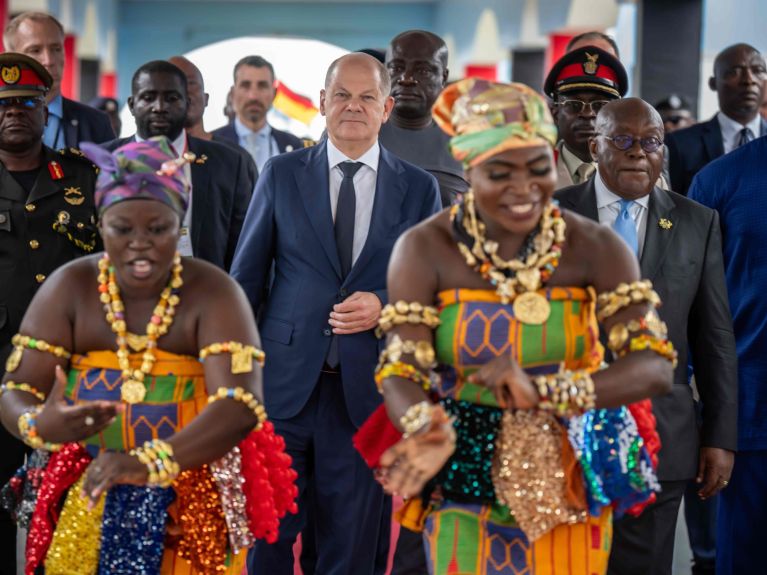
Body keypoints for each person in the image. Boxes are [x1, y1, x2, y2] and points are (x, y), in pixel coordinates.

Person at [364, 78, 674, 575]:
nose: (523, 188)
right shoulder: (426, 248)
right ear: (469, 170)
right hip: (464, 465)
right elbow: (400, 368)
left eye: (536, 169)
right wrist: (427, 427)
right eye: (499, 172)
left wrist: (546, 390)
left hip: (572, 472)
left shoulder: (595, 246)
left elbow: (654, 366)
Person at [0, 136, 296, 574]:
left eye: (157, 229)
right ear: (100, 224)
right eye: (123, 229)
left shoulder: (214, 292)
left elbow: (240, 404)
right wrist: (37, 422)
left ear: (179, 224)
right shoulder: (71, 287)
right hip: (89, 487)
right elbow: (18, 387)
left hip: (192, 497)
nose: (140, 243)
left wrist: (148, 463)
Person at [230, 52, 441, 575]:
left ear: (387, 107)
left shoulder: (418, 188)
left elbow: (435, 290)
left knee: (350, 543)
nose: (353, 106)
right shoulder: (281, 174)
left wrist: (386, 306)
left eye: (367, 96)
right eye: (342, 95)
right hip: (282, 390)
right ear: (321, 103)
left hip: (367, 393)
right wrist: (238, 382)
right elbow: (246, 281)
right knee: (271, 538)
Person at [555, 98, 737, 575]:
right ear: (595, 146)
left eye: (651, 142)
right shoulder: (550, 215)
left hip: (663, 435)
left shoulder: (697, 221)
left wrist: (719, 436)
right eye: (622, 140)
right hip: (561, 432)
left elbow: (714, 336)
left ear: (663, 153)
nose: (638, 152)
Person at [0, 52, 101, 575]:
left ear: (47, 112)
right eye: (5, 104)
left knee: (62, 509)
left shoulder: (82, 179)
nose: (15, 112)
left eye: (26, 103)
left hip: (70, 372)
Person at [688, 134, 767, 575]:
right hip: (752, 415)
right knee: (745, 557)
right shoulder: (720, 180)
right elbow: (694, 306)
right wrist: (713, 421)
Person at [103, 60, 252, 271]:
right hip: (118, 295)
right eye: (148, 97)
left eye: (172, 98)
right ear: (131, 105)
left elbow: (242, 250)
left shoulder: (228, 163)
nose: (160, 108)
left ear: (186, 104)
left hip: (202, 296)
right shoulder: (99, 162)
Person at [380, 30, 468, 207]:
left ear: (443, 77)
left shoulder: (468, 141)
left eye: (423, 71)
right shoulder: (351, 133)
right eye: (396, 68)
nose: (406, 79)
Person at [666, 43, 767, 196]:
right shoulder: (680, 144)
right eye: (734, 72)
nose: (749, 80)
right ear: (713, 83)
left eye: (758, 71)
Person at [4, 11, 115, 148]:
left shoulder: (96, 123)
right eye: (35, 50)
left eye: (56, 49)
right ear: (12, 57)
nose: (49, 60)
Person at [544, 46, 628, 189]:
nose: (588, 113)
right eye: (574, 104)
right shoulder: (533, 172)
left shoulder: (639, 175)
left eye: (600, 105)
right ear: (555, 113)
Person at [168, 56, 259, 182]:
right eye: (172, 84)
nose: (183, 91)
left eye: (190, 83)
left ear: (206, 99)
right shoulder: (139, 156)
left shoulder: (237, 159)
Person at [212, 56, 303, 172]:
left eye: (262, 86)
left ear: (274, 93)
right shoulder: (211, 144)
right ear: (233, 93)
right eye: (245, 85)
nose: (253, 96)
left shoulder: (295, 146)